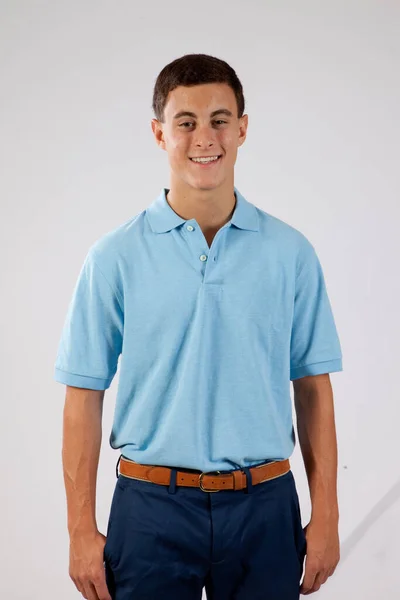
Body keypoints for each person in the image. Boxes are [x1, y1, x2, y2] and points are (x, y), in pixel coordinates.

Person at [54, 53, 343, 600]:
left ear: (243, 129)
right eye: (186, 122)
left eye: (219, 119)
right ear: (160, 133)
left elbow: (312, 387)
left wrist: (325, 513)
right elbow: (83, 394)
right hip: (149, 508)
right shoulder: (114, 257)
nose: (204, 136)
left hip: (265, 506)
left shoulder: (290, 253)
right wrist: (78, 530)